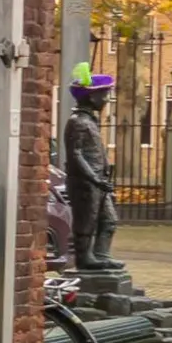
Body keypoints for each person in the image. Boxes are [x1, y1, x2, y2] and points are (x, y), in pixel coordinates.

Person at [62, 75, 120, 275]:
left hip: (99, 182)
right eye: (103, 94)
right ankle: (85, 259)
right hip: (86, 183)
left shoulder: (90, 121)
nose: (106, 99)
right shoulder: (77, 122)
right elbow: (75, 154)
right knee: (86, 221)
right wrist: (94, 178)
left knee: (109, 220)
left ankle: (101, 255)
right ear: (91, 96)